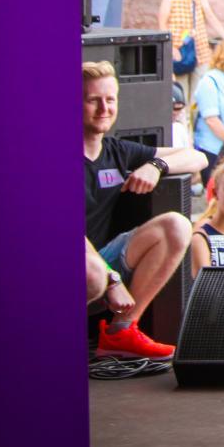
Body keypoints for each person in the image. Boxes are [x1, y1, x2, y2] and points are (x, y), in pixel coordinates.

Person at [84, 60, 202, 359]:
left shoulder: (117, 151)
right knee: (95, 272)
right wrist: (111, 279)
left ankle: (121, 331)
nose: (104, 109)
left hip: (101, 262)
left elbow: (197, 157)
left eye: (110, 100)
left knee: (176, 226)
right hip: (66, 268)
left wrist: (156, 165)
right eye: (93, 100)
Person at [158, 0, 224, 99]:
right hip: (180, 49)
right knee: (181, 91)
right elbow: (162, 21)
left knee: (200, 91)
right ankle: (183, 120)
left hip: (200, 49)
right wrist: (170, 47)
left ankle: (195, 119)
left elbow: (209, 14)